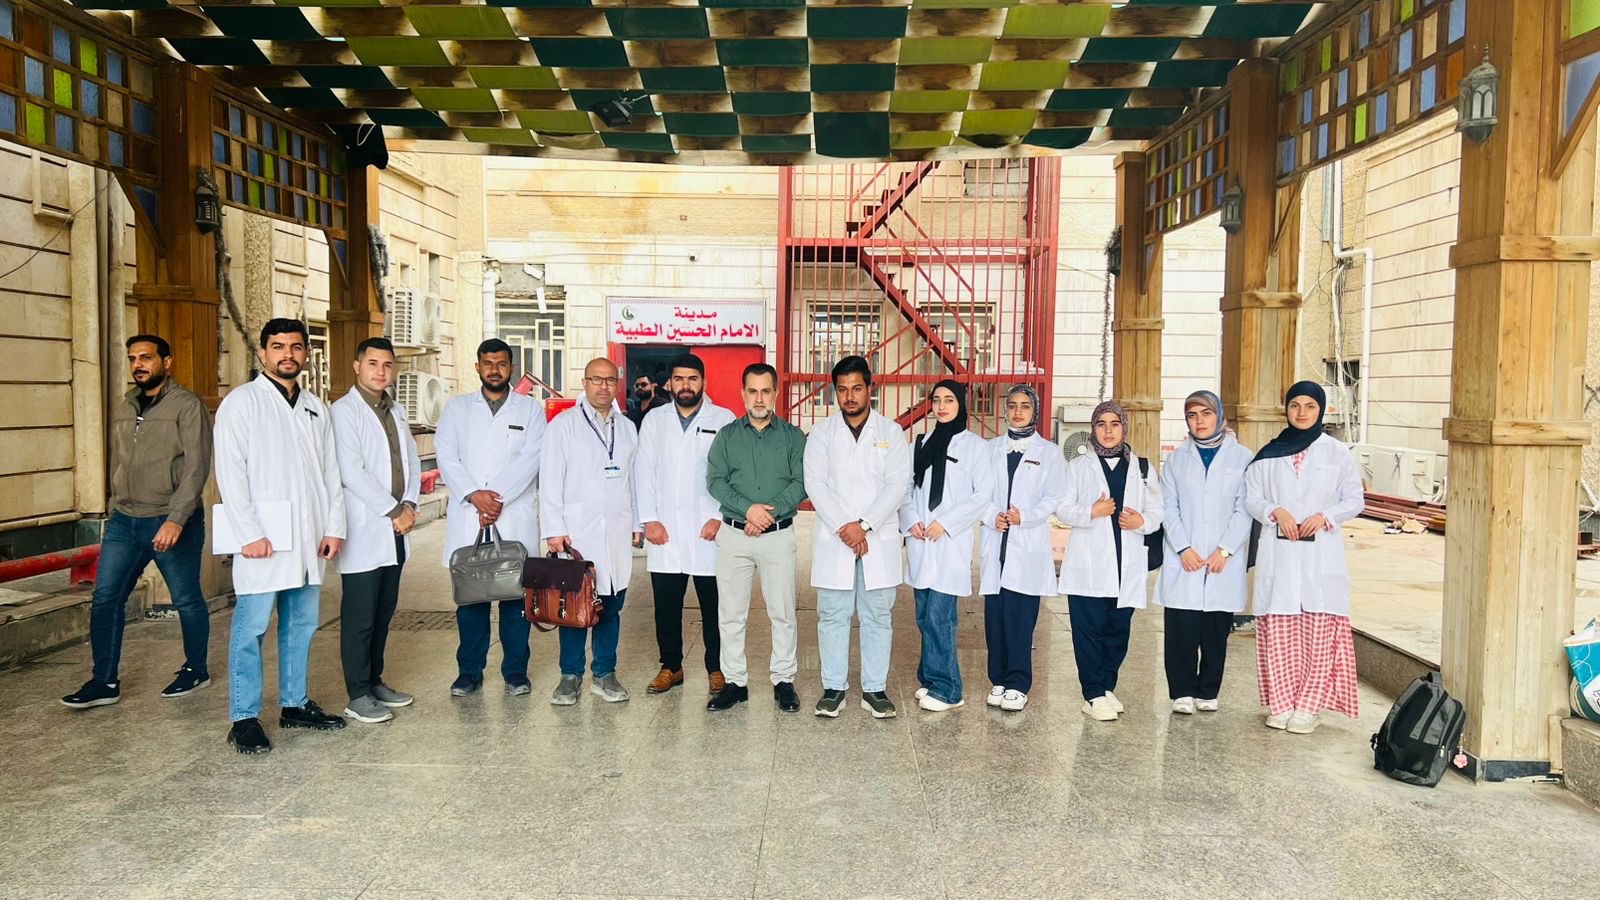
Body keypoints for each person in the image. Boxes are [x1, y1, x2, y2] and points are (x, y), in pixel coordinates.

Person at [214, 318, 347, 753]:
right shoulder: (242, 403)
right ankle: (244, 717)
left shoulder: (315, 408)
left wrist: (334, 526)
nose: (287, 354)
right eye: (278, 346)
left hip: (308, 537)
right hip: (263, 540)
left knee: (301, 623)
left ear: (306, 354)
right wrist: (248, 533)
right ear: (263, 353)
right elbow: (230, 473)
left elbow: (330, 472)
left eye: (295, 347)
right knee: (252, 627)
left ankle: (294, 703)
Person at [61, 335, 213, 709]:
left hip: (169, 518)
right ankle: (104, 681)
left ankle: (196, 669)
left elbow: (196, 468)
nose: (138, 365)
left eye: (146, 357)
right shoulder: (127, 404)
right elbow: (120, 461)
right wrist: (114, 505)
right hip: (124, 521)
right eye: (132, 359)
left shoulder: (187, 405)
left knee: (187, 599)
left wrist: (176, 519)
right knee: (105, 599)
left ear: (167, 362)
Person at [1243, 382, 1364, 735]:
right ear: (1286, 409)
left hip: (1320, 556)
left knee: (1318, 634)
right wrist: (1274, 510)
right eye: (1295, 405)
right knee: (1279, 631)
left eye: (1310, 406)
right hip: (1280, 554)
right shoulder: (1268, 455)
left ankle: (1309, 707)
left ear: (1321, 410)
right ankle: (1281, 705)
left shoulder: (1336, 453)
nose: (1301, 412)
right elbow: (1251, 497)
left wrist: (1325, 515)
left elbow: (1354, 499)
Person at [434, 339, 545, 698]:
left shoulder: (530, 410)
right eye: (487, 363)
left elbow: (532, 458)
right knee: (471, 601)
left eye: (501, 363)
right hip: (471, 515)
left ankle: (515, 672)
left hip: (512, 516)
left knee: (515, 603)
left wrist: (494, 500)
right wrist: (474, 496)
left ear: (511, 368)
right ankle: (469, 672)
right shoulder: (457, 408)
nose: (494, 370)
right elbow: (446, 455)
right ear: (477, 367)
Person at [804, 355, 912, 719]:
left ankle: (874, 689)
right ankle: (833, 688)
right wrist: (845, 527)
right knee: (832, 614)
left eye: (856, 388)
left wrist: (863, 525)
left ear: (870, 389)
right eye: (842, 389)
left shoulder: (891, 433)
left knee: (877, 615)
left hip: (876, 538)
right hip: (836, 536)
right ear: (835, 392)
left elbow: (897, 485)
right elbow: (815, 484)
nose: (849, 396)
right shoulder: (822, 433)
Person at [705, 363, 808, 713]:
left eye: (766, 391)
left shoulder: (793, 437)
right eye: (753, 391)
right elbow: (715, 481)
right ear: (743, 394)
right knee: (731, 614)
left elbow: (801, 482)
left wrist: (767, 515)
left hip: (778, 536)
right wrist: (748, 510)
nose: (759, 398)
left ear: (776, 393)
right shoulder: (726, 436)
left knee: (783, 612)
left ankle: (784, 681)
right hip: (734, 537)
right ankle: (735, 683)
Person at [330, 337, 422, 724]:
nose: (380, 371)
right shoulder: (343, 412)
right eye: (373, 363)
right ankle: (357, 694)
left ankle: (374, 681)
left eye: (387, 364)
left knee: (384, 611)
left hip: (396, 528)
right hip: (367, 527)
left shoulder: (395, 409)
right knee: (360, 617)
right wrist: (393, 510)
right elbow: (352, 472)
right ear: (357, 366)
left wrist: (411, 504)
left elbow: (410, 460)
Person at [542, 357, 641, 705]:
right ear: (584, 383)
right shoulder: (563, 425)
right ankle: (570, 676)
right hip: (576, 533)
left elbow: (633, 480)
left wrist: (637, 523)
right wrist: (554, 529)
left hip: (616, 530)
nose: (603, 386)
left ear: (617, 384)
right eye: (596, 379)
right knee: (573, 607)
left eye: (610, 380)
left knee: (610, 606)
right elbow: (550, 478)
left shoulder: (627, 428)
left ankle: (604, 674)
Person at [1057, 400, 1163, 722]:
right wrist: (1091, 511)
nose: (1108, 430)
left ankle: (1106, 686)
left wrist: (1142, 522)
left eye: (1114, 424)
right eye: (1101, 424)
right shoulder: (1078, 466)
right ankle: (1092, 694)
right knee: (1088, 632)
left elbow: (1157, 511)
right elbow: (1062, 508)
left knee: (1118, 633)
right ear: (1093, 429)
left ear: (1124, 428)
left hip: (1126, 564)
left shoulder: (1142, 468)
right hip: (1089, 566)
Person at [636, 353, 736, 696]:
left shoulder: (723, 418)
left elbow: (731, 473)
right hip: (664, 528)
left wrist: (720, 516)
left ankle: (717, 668)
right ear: (670, 383)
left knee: (715, 606)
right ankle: (671, 666)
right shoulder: (655, 420)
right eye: (679, 379)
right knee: (666, 606)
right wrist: (649, 519)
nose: (685, 385)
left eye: (692, 378)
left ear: (703, 382)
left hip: (709, 527)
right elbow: (643, 470)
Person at [1157, 390, 1253, 715]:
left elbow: (1245, 508)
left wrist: (1225, 550)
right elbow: (1168, 506)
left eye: (1206, 413)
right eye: (1192, 415)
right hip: (1185, 555)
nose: (1199, 421)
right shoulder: (1177, 459)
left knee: (1215, 630)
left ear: (1219, 416)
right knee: (1181, 628)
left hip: (1222, 557)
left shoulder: (1242, 458)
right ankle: (1181, 690)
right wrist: (1183, 547)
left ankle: (1208, 690)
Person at [901, 381, 993, 712]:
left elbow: (983, 494)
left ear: (961, 404)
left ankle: (949, 689)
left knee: (940, 617)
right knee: (924, 616)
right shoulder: (920, 443)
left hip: (949, 542)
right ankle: (929, 678)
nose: (942, 406)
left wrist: (947, 523)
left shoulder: (976, 447)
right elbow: (906, 487)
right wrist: (911, 518)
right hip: (921, 540)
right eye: (937, 400)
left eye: (949, 400)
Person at [978, 385, 1067, 713]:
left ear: (1035, 412)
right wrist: (992, 515)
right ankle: (998, 679)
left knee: (1020, 617)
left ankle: (1018, 682)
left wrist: (1024, 517)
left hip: (1026, 543)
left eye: (1025, 406)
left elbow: (1055, 496)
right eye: (1013, 405)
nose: (1018, 412)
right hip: (996, 540)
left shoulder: (1049, 452)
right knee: (995, 617)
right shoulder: (990, 449)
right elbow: (978, 491)